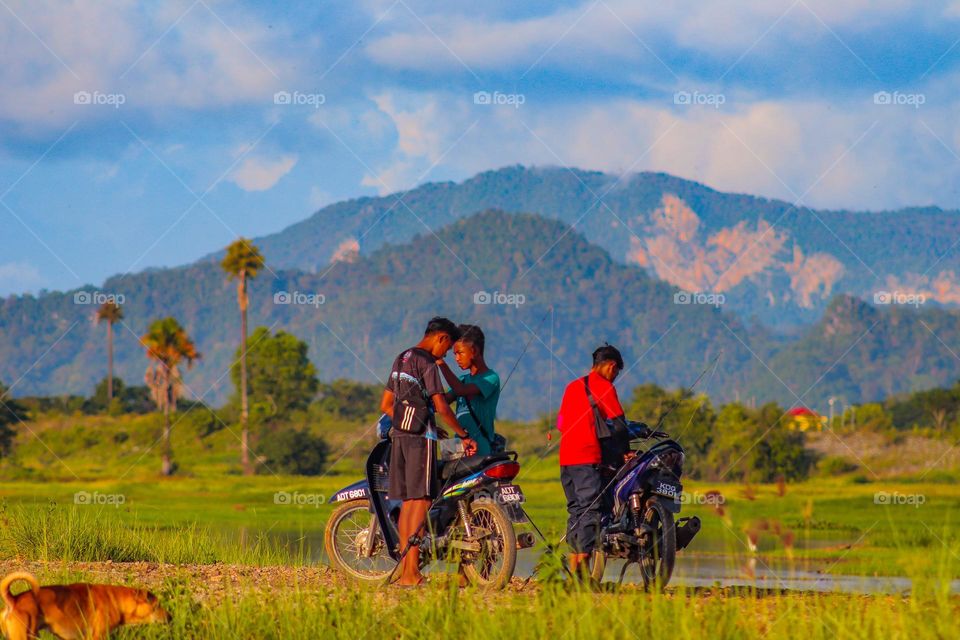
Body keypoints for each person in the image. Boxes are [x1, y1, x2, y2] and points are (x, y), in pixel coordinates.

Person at [380, 317, 477, 587]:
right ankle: (411, 574)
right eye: (446, 349)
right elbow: (442, 407)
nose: (445, 354)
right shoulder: (427, 362)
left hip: (400, 437)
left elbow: (386, 404)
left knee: (408, 503)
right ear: (441, 338)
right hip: (420, 441)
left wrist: (408, 422)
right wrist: (463, 435)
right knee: (420, 502)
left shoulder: (402, 358)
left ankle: (406, 572)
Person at [555, 343, 635, 576]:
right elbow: (619, 424)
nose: (615, 377)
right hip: (586, 456)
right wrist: (625, 451)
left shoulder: (572, 386)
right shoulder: (603, 386)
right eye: (616, 372)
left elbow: (561, 424)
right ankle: (581, 573)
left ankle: (574, 570)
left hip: (565, 459)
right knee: (591, 511)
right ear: (611, 366)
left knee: (576, 511)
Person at [437, 324, 501, 457]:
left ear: (475, 351)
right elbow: (442, 402)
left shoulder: (491, 378)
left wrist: (441, 363)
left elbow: (461, 390)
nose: (456, 359)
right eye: (454, 354)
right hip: (459, 445)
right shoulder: (462, 379)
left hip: (480, 448)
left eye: (460, 353)